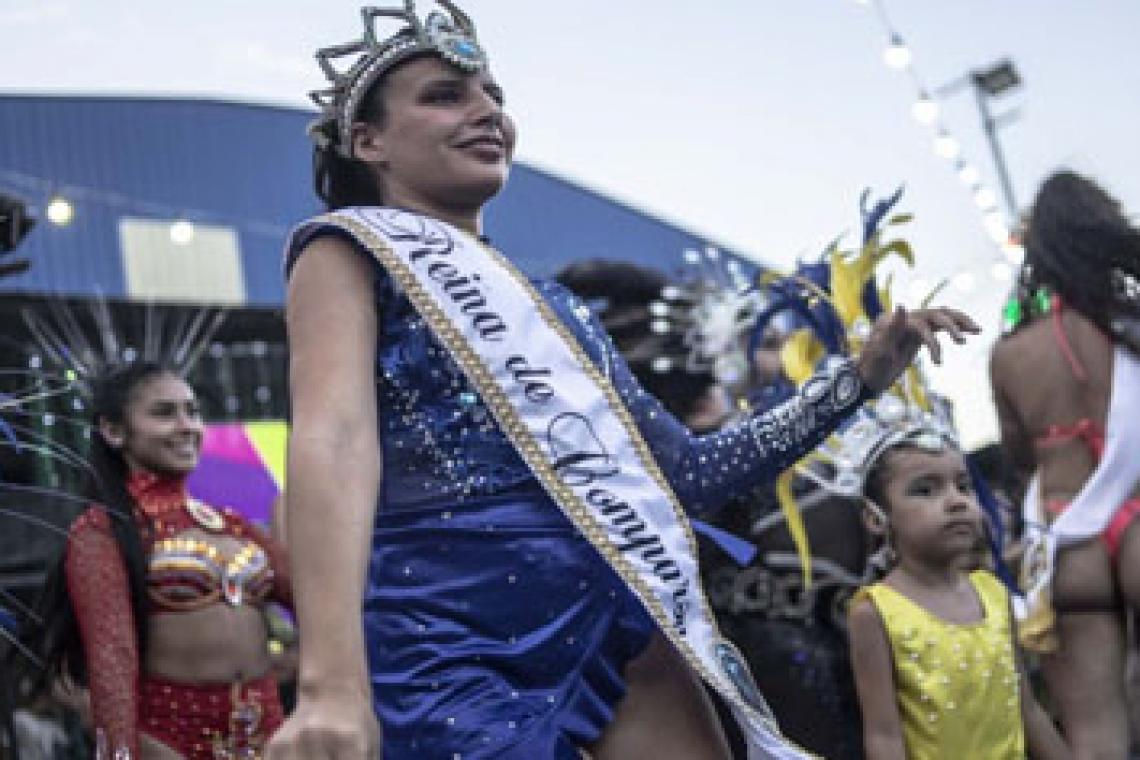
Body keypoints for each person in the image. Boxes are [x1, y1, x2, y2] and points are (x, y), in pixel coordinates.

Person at [268, 4, 978, 758]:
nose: (486, 113)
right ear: (367, 139)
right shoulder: (345, 251)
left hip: (609, 619)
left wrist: (858, 380)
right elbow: (335, 440)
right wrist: (331, 686)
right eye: (445, 95)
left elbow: (690, 475)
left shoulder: (556, 310)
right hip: (446, 642)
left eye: (495, 97)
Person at [18, 362, 292, 759]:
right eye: (165, 413)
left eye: (193, 411)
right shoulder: (101, 533)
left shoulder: (232, 526)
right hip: (168, 743)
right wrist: (124, 751)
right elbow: (113, 661)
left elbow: (314, 601)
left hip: (267, 736)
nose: (187, 426)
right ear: (113, 431)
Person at [990, 170, 1140, 758]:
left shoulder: (1009, 354)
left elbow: (1017, 453)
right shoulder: (1127, 328)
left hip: (1063, 541)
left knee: (1096, 730)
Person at [847, 417, 1069, 759]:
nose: (956, 502)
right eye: (925, 490)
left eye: (963, 486)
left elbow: (1028, 711)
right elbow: (884, 737)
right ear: (876, 517)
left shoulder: (993, 593)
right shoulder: (875, 613)